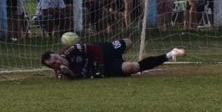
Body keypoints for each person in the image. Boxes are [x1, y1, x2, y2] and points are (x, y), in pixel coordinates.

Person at [41, 35, 184, 79]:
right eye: (53, 63)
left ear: (57, 54)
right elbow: (65, 78)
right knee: (131, 67)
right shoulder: (63, 73)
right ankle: (170, 54)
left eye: (56, 57)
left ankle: (118, 53)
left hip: (103, 51)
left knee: (128, 42)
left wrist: (100, 66)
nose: (57, 61)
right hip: (104, 69)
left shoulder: (71, 50)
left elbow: (94, 49)